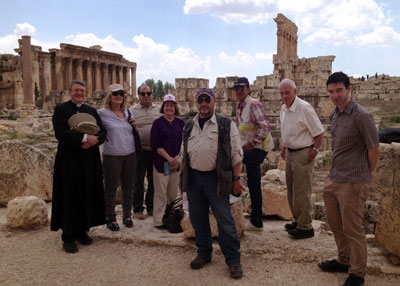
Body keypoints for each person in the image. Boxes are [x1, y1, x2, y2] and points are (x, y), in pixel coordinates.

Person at [318, 72, 379, 286]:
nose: (335, 95)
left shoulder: (361, 115)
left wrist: (368, 175)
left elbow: (374, 147)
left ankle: (358, 273)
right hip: (334, 178)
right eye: (331, 92)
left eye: (339, 90)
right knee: (336, 225)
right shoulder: (335, 115)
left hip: (353, 181)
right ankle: (343, 260)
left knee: (353, 229)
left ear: (349, 89)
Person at [181, 88, 245, 279]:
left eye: (206, 100)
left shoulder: (225, 124)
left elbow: (236, 153)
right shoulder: (188, 126)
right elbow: (184, 152)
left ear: (213, 101)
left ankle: (233, 260)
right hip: (193, 179)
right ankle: (204, 253)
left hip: (216, 179)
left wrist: (236, 178)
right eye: (200, 100)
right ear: (196, 103)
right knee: (198, 219)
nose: (203, 104)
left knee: (224, 220)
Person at [51, 80, 106, 253]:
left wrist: (95, 141)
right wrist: (84, 139)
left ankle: (83, 231)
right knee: (69, 194)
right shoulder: (61, 110)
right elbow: (61, 133)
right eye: (76, 90)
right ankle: (68, 236)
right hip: (69, 160)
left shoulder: (91, 111)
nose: (80, 93)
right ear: (70, 92)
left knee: (86, 192)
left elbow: (103, 131)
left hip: (89, 160)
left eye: (82, 91)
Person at [279, 78, 324, 239]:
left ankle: (305, 227)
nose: (284, 96)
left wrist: (315, 150)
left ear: (295, 91)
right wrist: (284, 148)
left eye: (287, 92)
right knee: (291, 190)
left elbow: (319, 132)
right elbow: (286, 130)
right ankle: (298, 221)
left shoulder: (304, 108)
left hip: (303, 152)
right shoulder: (284, 109)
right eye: (282, 93)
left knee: (302, 190)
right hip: (290, 153)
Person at [234, 77, 274, 231]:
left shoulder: (253, 104)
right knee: (253, 182)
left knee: (232, 164)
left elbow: (264, 127)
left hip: (257, 148)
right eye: (237, 89)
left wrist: (251, 143)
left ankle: (254, 219)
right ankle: (256, 220)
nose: (239, 91)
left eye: (242, 88)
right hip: (251, 147)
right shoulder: (241, 106)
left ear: (248, 89)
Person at [98, 84, 137, 231]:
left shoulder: (128, 112)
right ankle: (111, 217)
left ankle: (127, 216)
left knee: (128, 187)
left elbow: (132, 132)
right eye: (115, 94)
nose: (119, 96)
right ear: (110, 96)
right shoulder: (101, 113)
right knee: (111, 188)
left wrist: (135, 125)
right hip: (112, 155)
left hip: (130, 154)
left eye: (121, 94)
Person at [150, 94, 184, 229]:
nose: (169, 108)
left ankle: (171, 216)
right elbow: (155, 145)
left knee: (172, 192)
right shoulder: (157, 123)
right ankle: (158, 221)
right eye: (167, 105)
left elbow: (185, 142)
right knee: (160, 192)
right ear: (163, 107)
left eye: (171, 105)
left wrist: (178, 157)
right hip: (162, 163)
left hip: (176, 163)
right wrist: (169, 158)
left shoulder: (181, 123)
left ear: (175, 107)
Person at [130, 84, 161, 220]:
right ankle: (137, 209)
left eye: (148, 93)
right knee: (138, 181)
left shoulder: (159, 109)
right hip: (139, 151)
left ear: (152, 94)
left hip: (156, 151)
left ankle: (151, 207)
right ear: (138, 95)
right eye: (143, 94)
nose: (146, 96)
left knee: (154, 181)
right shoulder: (131, 111)